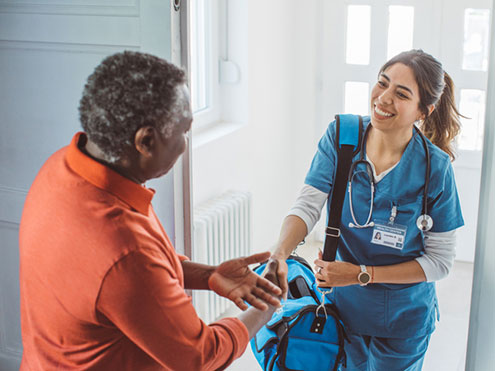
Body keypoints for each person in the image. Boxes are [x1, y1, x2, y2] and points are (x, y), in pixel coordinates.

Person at [19, 51, 281, 370]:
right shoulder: (124, 251)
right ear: (145, 141)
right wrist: (266, 307)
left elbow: (127, 281)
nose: (185, 143)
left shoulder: (60, 167)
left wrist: (210, 275)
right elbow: (199, 356)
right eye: (184, 130)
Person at [265, 49, 464, 370]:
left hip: (404, 320)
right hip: (343, 311)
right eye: (382, 83)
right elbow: (307, 205)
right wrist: (280, 252)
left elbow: (440, 262)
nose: (383, 98)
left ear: (422, 111)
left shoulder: (435, 168)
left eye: (401, 94)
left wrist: (361, 275)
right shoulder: (342, 138)